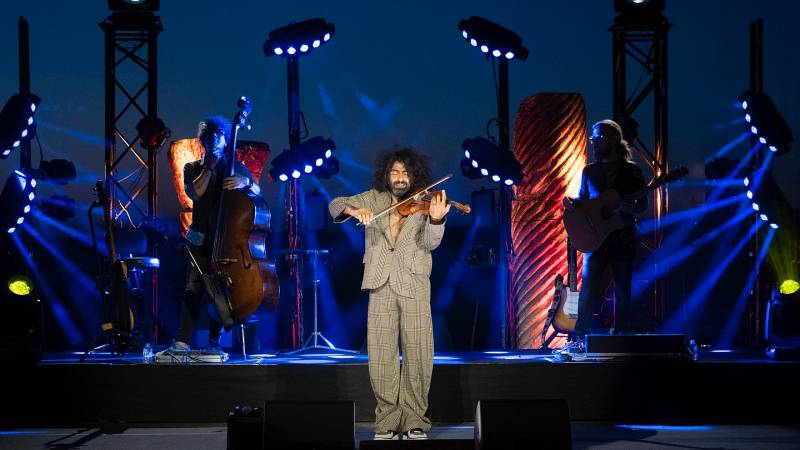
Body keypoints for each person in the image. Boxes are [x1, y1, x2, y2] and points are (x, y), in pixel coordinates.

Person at [328, 148, 450, 441]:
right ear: (386, 174)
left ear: (414, 175)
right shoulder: (374, 198)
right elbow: (335, 204)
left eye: (405, 172)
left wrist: (436, 221)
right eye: (395, 172)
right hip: (380, 282)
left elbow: (431, 244)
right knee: (381, 355)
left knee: (418, 354)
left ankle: (415, 419)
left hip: (414, 283)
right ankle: (386, 421)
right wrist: (355, 211)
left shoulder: (425, 201)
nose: (400, 178)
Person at [163, 115, 260, 355]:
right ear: (202, 140)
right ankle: (182, 341)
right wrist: (209, 166)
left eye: (218, 135)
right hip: (199, 239)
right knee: (193, 289)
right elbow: (195, 193)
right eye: (208, 135)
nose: (213, 139)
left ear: (226, 139)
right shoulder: (192, 167)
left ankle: (217, 341)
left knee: (222, 292)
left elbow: (257, 190)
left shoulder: (236, 168)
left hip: (228, 241)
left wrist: (245, 182)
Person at [564, 119, 647, 340]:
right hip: (596, 240)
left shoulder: (631, 171)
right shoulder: (589, 171)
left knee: (622, 291)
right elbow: (583, 200)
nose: (593, 143)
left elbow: (643, 205)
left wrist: (632, 208)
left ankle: (622, 337)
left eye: (598, 139)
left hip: (623, 239)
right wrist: (571, 203)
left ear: (612, 139)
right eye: (593, 139)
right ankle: (580, 339)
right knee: (588, 291)